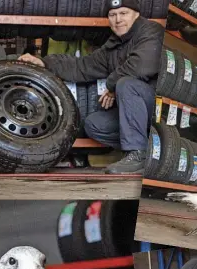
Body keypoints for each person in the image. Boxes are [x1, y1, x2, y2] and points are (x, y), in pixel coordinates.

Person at [18, 0, 165, 174]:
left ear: (136, 14)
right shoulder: (113, 46)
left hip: (158, 107)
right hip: (137, 115)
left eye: (123, 13)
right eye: (112, 15)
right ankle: (152, 149)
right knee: (94, 124)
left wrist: (112, 86)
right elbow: (82, 66)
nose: (118, 19)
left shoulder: (151, 31)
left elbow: (141, 65)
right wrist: (44, 62)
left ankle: (137, 154)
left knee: (127, 84)